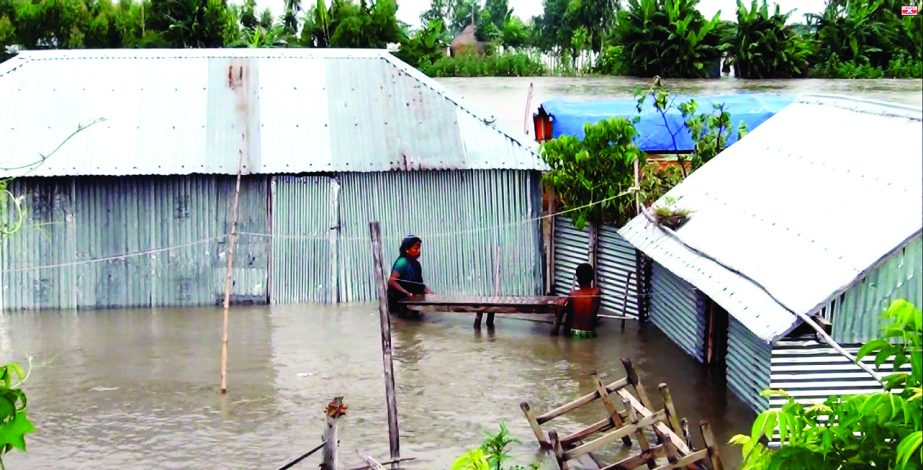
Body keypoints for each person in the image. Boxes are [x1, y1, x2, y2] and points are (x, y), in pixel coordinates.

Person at [387, 235, 432, 316]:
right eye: (415, 248)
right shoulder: (402, 262)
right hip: (399, 302)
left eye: (419, 248)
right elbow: (391, 281)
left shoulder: (416, 264)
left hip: (412, 301)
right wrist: (407, 293)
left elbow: (420, 285)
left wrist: (432, 295)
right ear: (407, 250)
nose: (418, 251)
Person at [559, 263, 602, 338]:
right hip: (591, 334)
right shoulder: (596, 293)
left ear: (577, 279)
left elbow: (568, 316)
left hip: (575, 335)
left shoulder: (572, 295)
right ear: (592, 277)